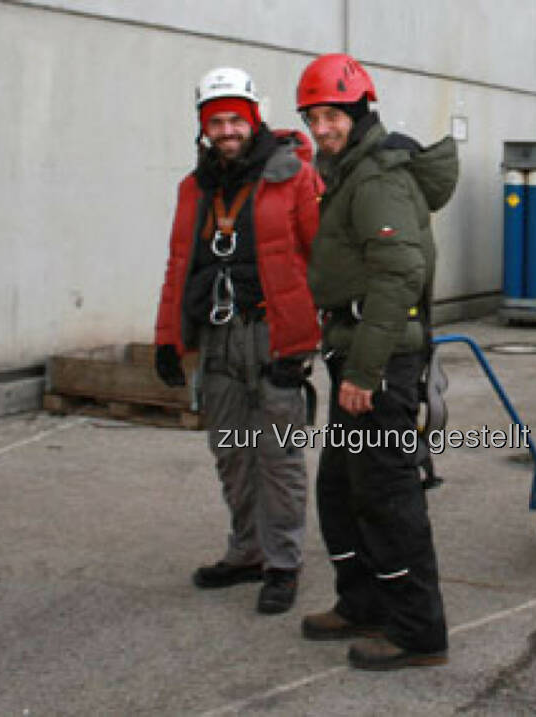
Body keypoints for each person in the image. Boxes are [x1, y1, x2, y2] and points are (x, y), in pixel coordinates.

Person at [295, 53, 458, 670]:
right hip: (354, 353)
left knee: (386, 495)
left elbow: (399, 275)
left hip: (379, 362)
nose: (322, 128)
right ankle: (362, 602)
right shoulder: (349, 172)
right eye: (313, 117)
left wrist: (365, 372)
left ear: (362, 112)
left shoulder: (377, 179)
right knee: (340, 488)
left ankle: (418, 631)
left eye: (333, 114)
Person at [153, 67, 323, 615]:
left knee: (279, 456)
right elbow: (181, 265)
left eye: (235, 120)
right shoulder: (193, 187)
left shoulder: (293, 175)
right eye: (216, 122)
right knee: (231, 451)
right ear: (204, 128)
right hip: (217, 336)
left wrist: (304, 344)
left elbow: (323, 258)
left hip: (273, 335)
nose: (226, 130)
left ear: (254, 119)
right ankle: (247, 550)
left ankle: (283, 562)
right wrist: (166, 340)